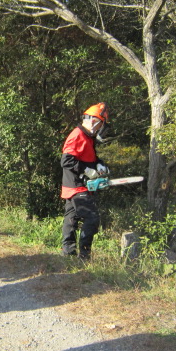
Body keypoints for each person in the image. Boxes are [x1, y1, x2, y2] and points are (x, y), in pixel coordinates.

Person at [60, 103, 110, 260]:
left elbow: (90, 158)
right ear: (95, 121)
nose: (102, 127)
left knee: (71, 218)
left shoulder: (88, 138)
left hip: (77, 186)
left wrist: (99, 165)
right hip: (76, 186)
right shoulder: (77, 135)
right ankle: (84, 255)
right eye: (102, 123)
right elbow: (66, 161)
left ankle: (68, 252)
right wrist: (87, 171)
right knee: (92, 217)